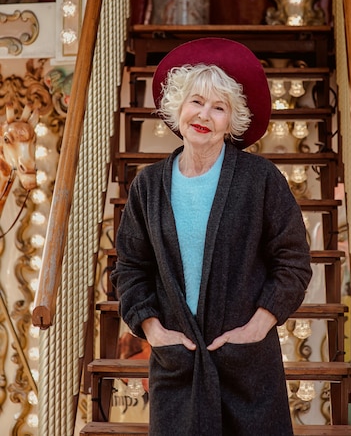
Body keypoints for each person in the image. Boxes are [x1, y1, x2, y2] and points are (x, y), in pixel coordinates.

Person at [111, 37, 312, 436]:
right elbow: (130, 268)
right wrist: (152, 330)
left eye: (219, 108)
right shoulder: (148, 186)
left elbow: (293, 262)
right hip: (177, 366)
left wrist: (258, 327)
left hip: (248, 367)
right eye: (196, 102)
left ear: (231, 121)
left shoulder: (261, 180)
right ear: (178, 109)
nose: (204, 115)